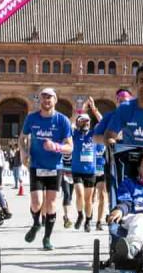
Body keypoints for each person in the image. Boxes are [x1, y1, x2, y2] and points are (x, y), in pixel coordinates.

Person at [18, 87, 73, 251]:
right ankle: (36, 224)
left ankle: (47, 238)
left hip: (55, 167)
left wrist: (56, 147)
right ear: (40, 100)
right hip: (36, 165)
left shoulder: (62, 121)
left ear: (55, 100)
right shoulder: (32, 118)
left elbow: (70, 147)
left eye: (49, 98)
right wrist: (24, 153)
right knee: (36, 203)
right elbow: (22, 138)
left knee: (51, 205)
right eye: (43, 98)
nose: (46, 101)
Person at [71, 114, 96, 232]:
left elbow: (102, 123)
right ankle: (80, 214)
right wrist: (78, 113)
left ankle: (88, 220)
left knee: (88, 200)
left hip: (90, 171)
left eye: (88, 121)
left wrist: (94, 111)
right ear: (78, 123)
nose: (86, 123)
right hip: (77, 170)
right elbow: (69, 125)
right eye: (83, 121)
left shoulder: (93, 134)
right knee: (79, 195)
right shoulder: (75, 134)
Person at [93, 142, 107, 231]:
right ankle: (88, 217)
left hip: (102, 172)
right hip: (90, 172)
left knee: (102, 196)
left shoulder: (107, 143)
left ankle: (99, 221)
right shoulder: (92, 141)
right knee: (90, 199)